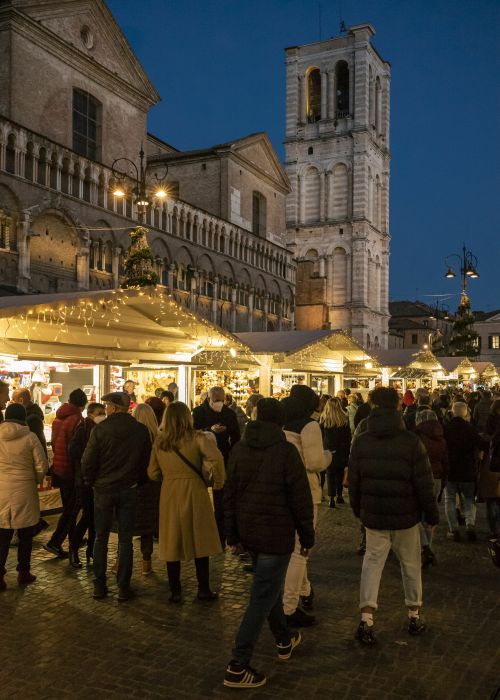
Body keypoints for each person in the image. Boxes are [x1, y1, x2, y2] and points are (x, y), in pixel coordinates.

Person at [223, 398, 314, 689]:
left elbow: (230, 494)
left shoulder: (239, 448)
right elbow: (300, 499)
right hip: (276, 534)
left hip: (250, 531)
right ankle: (237, 665)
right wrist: (307, 536)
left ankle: (284, 639)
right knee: (261, 597)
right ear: (281, 422)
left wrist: (233, 534)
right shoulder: (286, 452)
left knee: (269, 587)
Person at [348, 387, 439, 645]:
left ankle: (366, 618)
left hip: (374, 516)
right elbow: (424, 483)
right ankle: (414, 613)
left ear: (374, 407)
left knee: (372, 565)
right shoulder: (411, 441)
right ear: (399, 407)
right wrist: (431, 515)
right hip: (405, 516)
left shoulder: (361, 441)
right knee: (410, 565)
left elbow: (354, 482)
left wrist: (359, 509)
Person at [147, 401, 225, 602]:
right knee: (200, 539)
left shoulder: (160, 442)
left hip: (170, 492)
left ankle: (175, 591)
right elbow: (216, 459)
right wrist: (218, 482)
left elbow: (152, 472)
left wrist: (168, 476)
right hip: (195, 490)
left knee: (172, 539)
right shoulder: (198, 438)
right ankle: (203, 588)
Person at [81, 391, 151, 601]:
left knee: (101, 537)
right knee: (125, 539)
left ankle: (99, 586)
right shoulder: (140, 430)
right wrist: (138, 481)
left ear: (114, 407)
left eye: (108, 405)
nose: (107, 408)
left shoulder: (100, 430)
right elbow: (145, 461)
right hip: (128, 489)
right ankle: (123, 586)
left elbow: (88, 461)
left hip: (103, 489)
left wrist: (90, 481)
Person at [281, 385, 331, 627]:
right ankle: (289, 607)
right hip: (306, 491)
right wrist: (329, 457)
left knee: (294, 546)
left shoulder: (282, 424)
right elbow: (314, 463)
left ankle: (305, 591)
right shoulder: (309, 426)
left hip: (282, 489)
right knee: (301, 550)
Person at [0, 404, 48, 590]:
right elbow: (41, 464)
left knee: (2, 534)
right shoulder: (30, 437)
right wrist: (34, 480)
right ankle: (24, 572)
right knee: (26, 535)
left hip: (1, 490)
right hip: (24, 489)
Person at [193, 386, 240, 545]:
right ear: (208, 398)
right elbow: (193, 434)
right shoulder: (198, 412)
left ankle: (220, 537)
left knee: (221, 500)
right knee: (200, 498)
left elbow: (236, 437)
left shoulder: (229, 414)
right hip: (202, 460)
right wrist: (209, 431)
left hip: (223, 458)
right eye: (216, 400)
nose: (219, 403)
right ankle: (201, 533)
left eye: (221, 400)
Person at [44, 388, 87, 559]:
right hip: (70, 470)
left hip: (59, 468)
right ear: (83, 404)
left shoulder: (57, 419)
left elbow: (55, 443)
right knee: (73, 508)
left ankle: (72, 540)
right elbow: (77, 448)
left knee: (69, 506)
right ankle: (55, 541)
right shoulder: (77, 420)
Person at [67, 402, 106, 568]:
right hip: (84, 480)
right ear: (90, 414)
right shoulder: (83, 429)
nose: (102, 415)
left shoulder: (101, 430)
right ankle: (73, 548)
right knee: (88, 516)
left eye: (103, 412)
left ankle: (91, 550)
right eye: (99, 412)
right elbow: (73, 451)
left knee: (94, 518)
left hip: (96, 480)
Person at [443, 402, 488, 542]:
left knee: (449, 500)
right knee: (469, 499)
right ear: (466, 413)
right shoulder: (470, 429)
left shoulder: (445, 429)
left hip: (450, 470)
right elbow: (483, 444)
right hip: (468, 470)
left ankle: (453, 529)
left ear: (452, 412)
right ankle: (470, 525)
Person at [415, 409, 448, 567]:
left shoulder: (416, 437)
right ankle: (428, 545)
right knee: (430, 513)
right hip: (436, 477)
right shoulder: (441, 438)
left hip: (419, 477)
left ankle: (424, 547)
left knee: (416, 514)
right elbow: (445, 461)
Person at [132, 403, 161, 575]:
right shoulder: (157, 438)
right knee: (147, 527)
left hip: (135, 484)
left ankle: (120, 561)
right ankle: (146, 563)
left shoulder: (131, 436)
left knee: (127, 523)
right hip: (153, 485)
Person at [320, 397, 351, 507]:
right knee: (340, 473)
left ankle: (331, 498)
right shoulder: (344, 419)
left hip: (328, 451)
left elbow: (321, 437)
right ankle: (339, 495)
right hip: (342, 451)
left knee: (330, 474)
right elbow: (348, 438)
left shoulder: (323, 419)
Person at [12, 388, 47, 455]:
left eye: (13, 401)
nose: (12, 403)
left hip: (34, 459)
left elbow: (33, 445)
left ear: (21, 401)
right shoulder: (29, 414)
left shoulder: (32, 419)